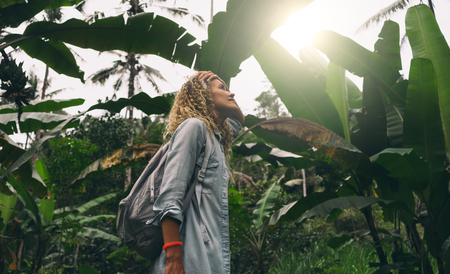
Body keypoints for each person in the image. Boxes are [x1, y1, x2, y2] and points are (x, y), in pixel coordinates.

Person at [149, 71, 245, 274]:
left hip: (210, 260)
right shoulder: (194, 127)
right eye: (222, 88)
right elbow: (169, 198)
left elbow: (239, 120)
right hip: (187, 259)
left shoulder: (216, 139)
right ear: (204, 95)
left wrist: (218, 78)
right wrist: (173, 260)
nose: (231, 94)